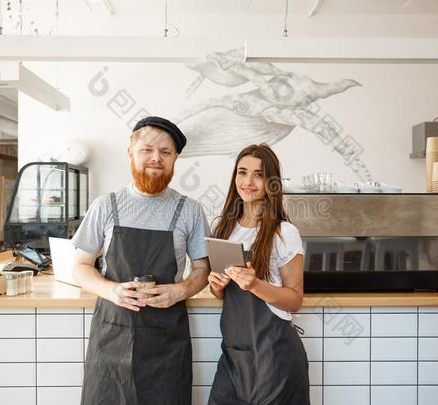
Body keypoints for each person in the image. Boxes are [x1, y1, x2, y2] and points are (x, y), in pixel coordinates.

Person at [72, 116, 211, 405]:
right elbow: (80, 267)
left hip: (167, 345)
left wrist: (180, 290)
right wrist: (112, 291)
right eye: (147, 149)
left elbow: (202, 269)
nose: (156, 158)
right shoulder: (105, 206)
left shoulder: (190, 210)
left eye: (166, 152)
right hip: (111, 338)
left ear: (174, 160)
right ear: (131, 153)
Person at [207, 143, 310, 405]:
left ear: (271, 182)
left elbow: (295, 299)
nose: (248, 181)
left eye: (259, 174)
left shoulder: (284, 233)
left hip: (274, 358)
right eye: (242, 172)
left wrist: (254, 285)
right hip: (233, 357)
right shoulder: (224, 228)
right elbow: (222, 294)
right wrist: (216, 285)